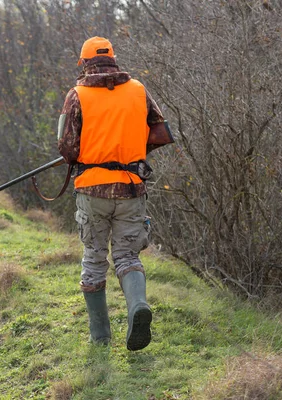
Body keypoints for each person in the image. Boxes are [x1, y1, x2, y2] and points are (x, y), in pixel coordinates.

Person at [57, 37, 173, 351]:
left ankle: (100, 338)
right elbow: (162, 133)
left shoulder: (77, 95)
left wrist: (85, 154)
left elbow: (66, 148)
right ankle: (137, 307)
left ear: (83, 64)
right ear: (114, 60)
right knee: (127, 257)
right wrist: (135, 151)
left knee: (94, 260)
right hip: (131, 187)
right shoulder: (138, 89)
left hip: (92, 190)